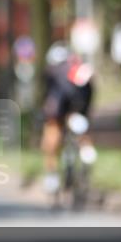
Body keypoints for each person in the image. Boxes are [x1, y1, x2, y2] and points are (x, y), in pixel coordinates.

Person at [39, 42, 97, 196]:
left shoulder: (52, 72)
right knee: (81, 136)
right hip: (76, 110)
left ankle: (52, 176)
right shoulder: (79, 70)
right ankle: (85, 156)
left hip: (59, 111)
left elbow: (51, 99)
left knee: (51, 142)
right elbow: (89, 94)